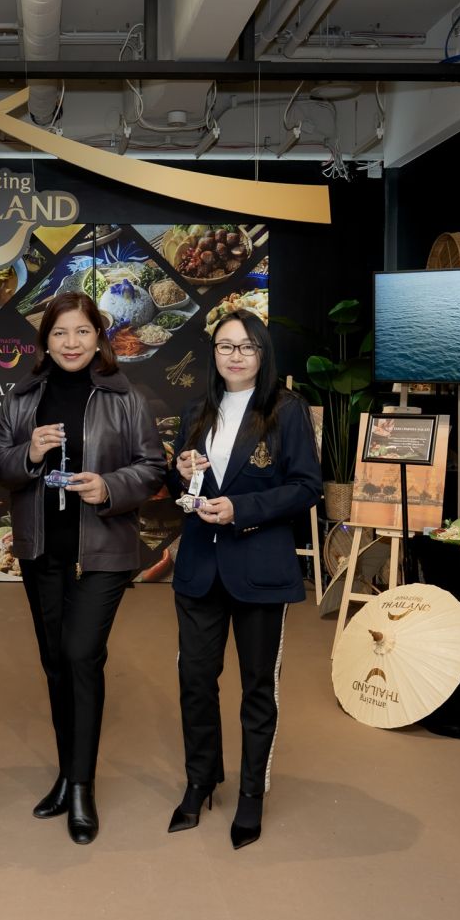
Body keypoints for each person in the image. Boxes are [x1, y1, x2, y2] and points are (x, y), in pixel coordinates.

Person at [0, 291, 164, 845]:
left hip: (104, 552)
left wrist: (108, 486)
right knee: (54, 663)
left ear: (98, 339)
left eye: (82, 332)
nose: (71, 343)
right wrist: (29, 454)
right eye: (60, 333)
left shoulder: (125, 396)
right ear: (45, 341)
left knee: (81, 655)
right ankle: (66, 777)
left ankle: (83, 787)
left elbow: (152, 466)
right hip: (42, 550)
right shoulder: (22, 398)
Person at [166, 309, 322, 850]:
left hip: (259, 568)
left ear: (262, 354)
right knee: (195, 681)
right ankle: (200, 779)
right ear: (213, 353)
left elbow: (307, 487)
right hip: (199, 568)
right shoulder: (196, 410)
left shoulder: (286, 410)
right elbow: (181, 490)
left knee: (258, 686)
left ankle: (252, 792)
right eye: (225, 346)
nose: (235, 356)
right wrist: (180, 474)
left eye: (246, 346)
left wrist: (242, 510)